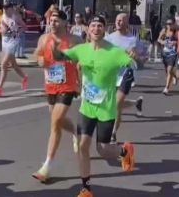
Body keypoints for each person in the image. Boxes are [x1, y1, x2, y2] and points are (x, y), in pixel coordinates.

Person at [52, 15, 135, 197]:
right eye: (93, 25)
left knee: (102, 149)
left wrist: (134, 60)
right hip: (87, 107)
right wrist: (56, 41)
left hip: (106, 108)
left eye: (99, 26)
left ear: (104, 29)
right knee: (82, 145)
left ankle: (124, 151)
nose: (96, 28)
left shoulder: (114, 51)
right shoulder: (81, 49)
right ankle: (86, 188)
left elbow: (133, 65)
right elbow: (59, 55)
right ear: (88, 29)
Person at [32, 10, 82, 182]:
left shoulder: (74, 40)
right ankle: (76, 132)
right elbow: (37, 53)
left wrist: (80, 83)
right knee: (58, 120)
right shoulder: (44, 39)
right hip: (50, 86)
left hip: (67, 86)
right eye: (50, 20)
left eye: (56, 20)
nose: (52, 23)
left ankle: (46, 166)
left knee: (55, 123)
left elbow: (82, 61)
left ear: (64, 22)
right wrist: (39, 60)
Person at [105, 13, 143, 143]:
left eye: (121, 20)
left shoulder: (133, 39)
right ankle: (135, 103)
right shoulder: (108, 39)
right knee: (113, 104)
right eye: (117, 20)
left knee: (117, 104)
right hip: (111, 74)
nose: (119, 22)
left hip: (126, 74)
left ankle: (112, 133)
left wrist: (136, 56)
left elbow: (142, 60)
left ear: (127, 23)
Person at [0, 3, 28, 96]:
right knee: (13, 64)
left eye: (7, 9)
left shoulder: (16, 17)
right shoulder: (1, 17)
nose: (5, 11)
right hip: (5, 41)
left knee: (4, 64)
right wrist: (1, 31)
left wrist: (18, 31)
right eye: (4, 9)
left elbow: (24, 27)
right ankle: (24, 77)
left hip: (13, 41)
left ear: (12, 9)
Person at [157, 18, 178, 95]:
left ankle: (166, 88)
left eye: (170, 24)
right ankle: (174, 76)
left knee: (169, 70)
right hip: (165, 53)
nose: (168, 25)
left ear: (173, 24)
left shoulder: (176, 32)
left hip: (173, 53)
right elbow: (158, 39)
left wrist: (175, 42)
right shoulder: (164, 30)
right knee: (167, 71)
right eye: (167, 24)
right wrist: (162, 42)